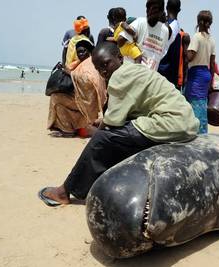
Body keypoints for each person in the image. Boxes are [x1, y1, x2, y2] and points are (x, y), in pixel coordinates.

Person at [38, 42, 199, 206]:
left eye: (106, 63)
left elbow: (112, 123)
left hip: (169, 122)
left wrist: (97, 131)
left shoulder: (119, 76)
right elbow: (126, 110)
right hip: (186, 122)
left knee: (102, 139)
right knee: (121, 136)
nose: (103, 71)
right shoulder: (135, 69)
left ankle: (65, 191)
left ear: (120, 58)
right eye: (99, 68)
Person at [48, 38, 107, 138]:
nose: (80, 54)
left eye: (82, 51)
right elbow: (70, 69)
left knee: (56, 97)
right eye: (78, 52)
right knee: (60, 94)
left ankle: (67, 131)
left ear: (88, 51)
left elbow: (88, 79)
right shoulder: (85, 62)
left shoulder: (89, 63)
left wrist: (71, 74)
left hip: (87, 103)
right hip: (84, 99)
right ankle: (73, 127)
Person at [184, 10, 216, 134]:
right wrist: (211, 82)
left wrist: (185, 47)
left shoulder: (196, 37)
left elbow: (190, 57)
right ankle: (203, 131)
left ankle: (196, 133)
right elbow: (212, 63)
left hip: (196, 74)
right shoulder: (212, 40)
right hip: (206, 74)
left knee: (194, 104)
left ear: (199, 22)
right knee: (202, 104)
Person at [119, 0, 169, 70]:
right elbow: (120, 39)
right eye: (148, 8)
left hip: (149, 77)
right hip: (132, 74)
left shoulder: (165, 31)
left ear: (161, 12)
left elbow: (159, 56)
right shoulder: (140, 22)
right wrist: (133, 50)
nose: (150, 11)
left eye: (154, 9)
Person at [157, 0, 185, 88]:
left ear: (166, 8)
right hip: (169, 77)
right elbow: (175, 57)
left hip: (157, 72)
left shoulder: (160, 25)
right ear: (179, 10)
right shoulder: (176, 30)